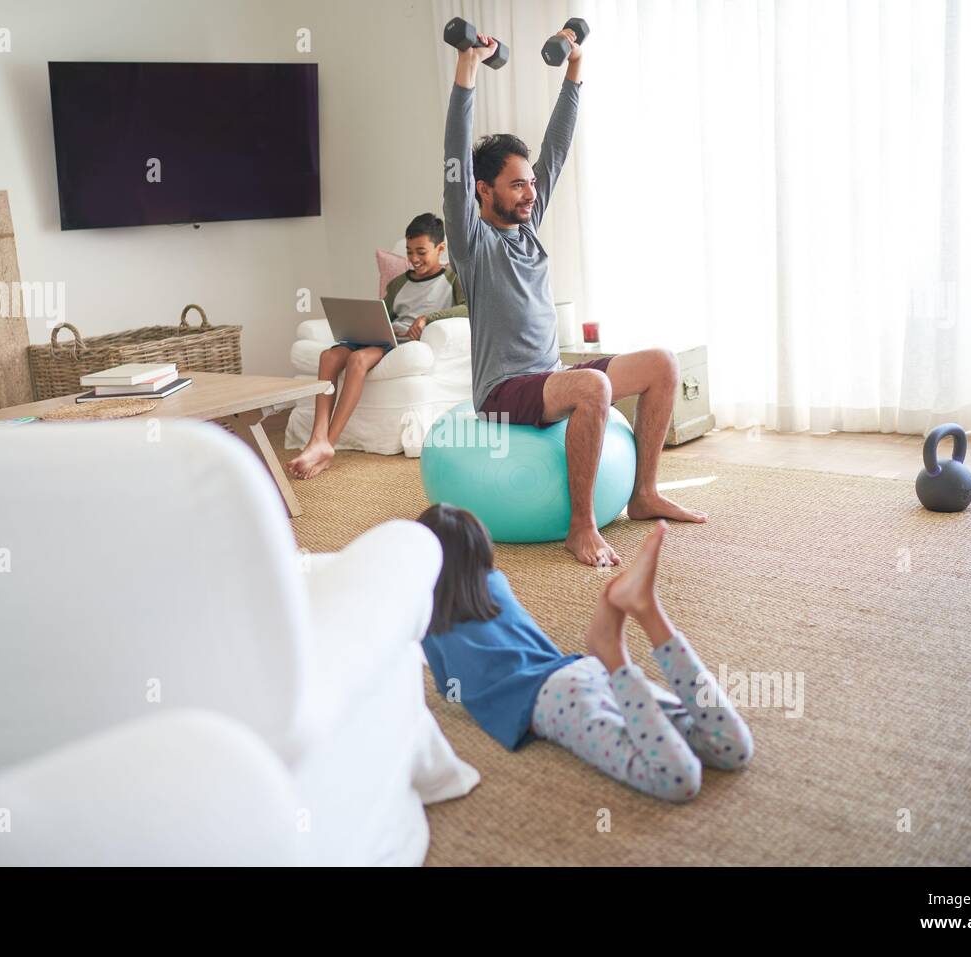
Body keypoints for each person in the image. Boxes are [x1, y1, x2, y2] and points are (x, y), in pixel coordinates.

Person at [443, 27, 707, 567]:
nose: (530, 191)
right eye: (517, 184)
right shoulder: (473, 243)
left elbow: (556, 148)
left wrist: (575, 68)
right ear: (482, 189)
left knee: (662, 363)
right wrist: (466, 70)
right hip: (504, 392)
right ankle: (580, 526)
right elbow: (454, 157)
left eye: (530, 183)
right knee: (593, 386)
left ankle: (643, 494)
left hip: (547, 375)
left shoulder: (528, 222)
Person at [417, 504, 753, 802]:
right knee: (733, 748)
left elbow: (449, 690)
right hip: (586, 671)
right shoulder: (496, 584)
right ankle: (650, 616)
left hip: (556, 701)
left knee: (677, 778)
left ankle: (615, 653)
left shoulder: (427, 616)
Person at [287, 213, 467, 480]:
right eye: (409, 252)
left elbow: (467, 309)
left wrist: (428, 318)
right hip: (381, 335)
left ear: (440, 249)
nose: (414, 259)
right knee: (328, 356)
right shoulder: (399, 283)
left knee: (357, 361)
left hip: (401, 342)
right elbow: (384, 315)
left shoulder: (452, 279)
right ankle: (317, 437)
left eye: (421, 252)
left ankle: (329, 444)